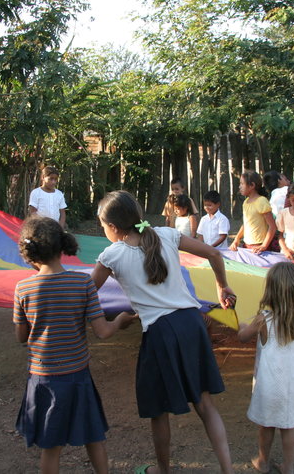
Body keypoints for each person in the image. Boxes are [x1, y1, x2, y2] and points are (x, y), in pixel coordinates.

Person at [91, 191, 236, 474]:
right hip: (192, 324)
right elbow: (214, 253)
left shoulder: (112, 254)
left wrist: (113, 322)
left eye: (102, 224)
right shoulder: (166, 234)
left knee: (158, 410)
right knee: (205, 403)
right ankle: (228, 470)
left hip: (161, 333)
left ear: (114, 227)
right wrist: (222, 286)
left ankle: (162, 470)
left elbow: (85, 293)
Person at [13, 216, 135, 474]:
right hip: (77, 377)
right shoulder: (82, 284)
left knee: (51, 446)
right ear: (62, 247)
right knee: (94, 436)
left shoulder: (23, 289)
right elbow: (102, 332)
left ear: (30, 253)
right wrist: (120, 322)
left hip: (43, 379)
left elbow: (21, 337)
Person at [237, 262, 294, 474]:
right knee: (289, 427)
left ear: (271, 290)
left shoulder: (264, 320)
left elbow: (242, 337)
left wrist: (242, 323)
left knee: (266, 426)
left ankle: (262, 461)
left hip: (270, 387)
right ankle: (288, 467)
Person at [229, 171, 278, 254]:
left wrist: (264, 246)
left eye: (242, 184)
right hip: (247, 245)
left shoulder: (261, 201)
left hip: (259, 246)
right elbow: (246, 223)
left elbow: (272, 226)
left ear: (252, 185)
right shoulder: (246, 202)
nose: (239, 187)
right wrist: (237, 238)